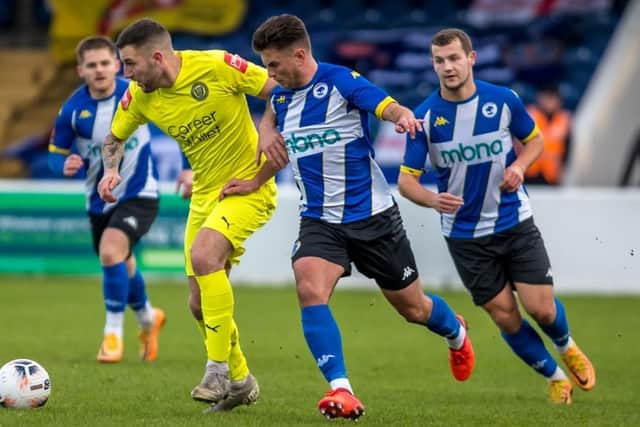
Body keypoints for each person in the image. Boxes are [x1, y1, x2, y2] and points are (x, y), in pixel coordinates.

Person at [221, 14, 476, 421]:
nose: (268, 74)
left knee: (413, 309)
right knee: (309, 287)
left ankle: (456, 332)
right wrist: (256, 177)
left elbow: (384, 104)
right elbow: (283, 147)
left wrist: (402, 117)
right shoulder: (283, 98)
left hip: (373, 218)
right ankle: (342, 389)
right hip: (319, 220)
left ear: (300, 55)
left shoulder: (341, 82)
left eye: (273, 65)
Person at [397, 28, 596, 404]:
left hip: (513, 222)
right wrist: (432, 200)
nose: (447, 67)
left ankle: (566, 345)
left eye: (454, 58)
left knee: (541, 308)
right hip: (465, 237)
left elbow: (536, 141)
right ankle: (555, 378)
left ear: (470, 58)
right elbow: (407, 182)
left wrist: (520, 166)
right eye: (439, 61)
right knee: (505, 317)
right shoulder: (423, 118)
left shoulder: (503, 101)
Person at [96, 18, 278, 413]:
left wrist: (266, 127)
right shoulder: (140, 95)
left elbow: (277, 90)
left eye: (130, 65)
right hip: (204, 196)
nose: (126, 75)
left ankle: (216, 371)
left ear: (157, 57)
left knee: (203, 256)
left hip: (248, 187)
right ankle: (242, 379)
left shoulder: (216, 65)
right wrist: (111, 169)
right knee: (197, 304)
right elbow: (114, 138)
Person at [48, 36, 166, 363]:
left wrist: (186, 170)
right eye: (92, 65)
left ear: (117, 65)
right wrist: (65, 164)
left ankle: (112, 336)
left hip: (139, 193)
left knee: (111, 251)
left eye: (105, 62)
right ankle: (148, 318)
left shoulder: (138, 92)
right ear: (80, 70)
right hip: (98, 201)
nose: (99, 70)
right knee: (121, 261)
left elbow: (180, 127)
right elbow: (55, 155)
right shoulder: (72, 110)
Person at [525, 84, 571, 185]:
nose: (548, 102)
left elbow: (568, 146)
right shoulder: (529, 115)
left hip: (552, 174)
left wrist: (563, 167)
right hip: (528, 171)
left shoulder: (565, 118)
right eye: (546, 97)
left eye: (552, 98)